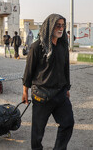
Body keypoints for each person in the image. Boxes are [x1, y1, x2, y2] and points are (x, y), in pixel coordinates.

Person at [22, 14, 74, 150]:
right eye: (58, 25)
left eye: (63, 25)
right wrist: (25, 91)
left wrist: (67, 88)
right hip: (42, 95)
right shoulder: (37, 47)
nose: (61, 28)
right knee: (38, 131)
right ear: (50, 26)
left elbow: (65, 68)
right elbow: (28, 71)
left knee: (68, 123)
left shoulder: (63, 46)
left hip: (60, 94)